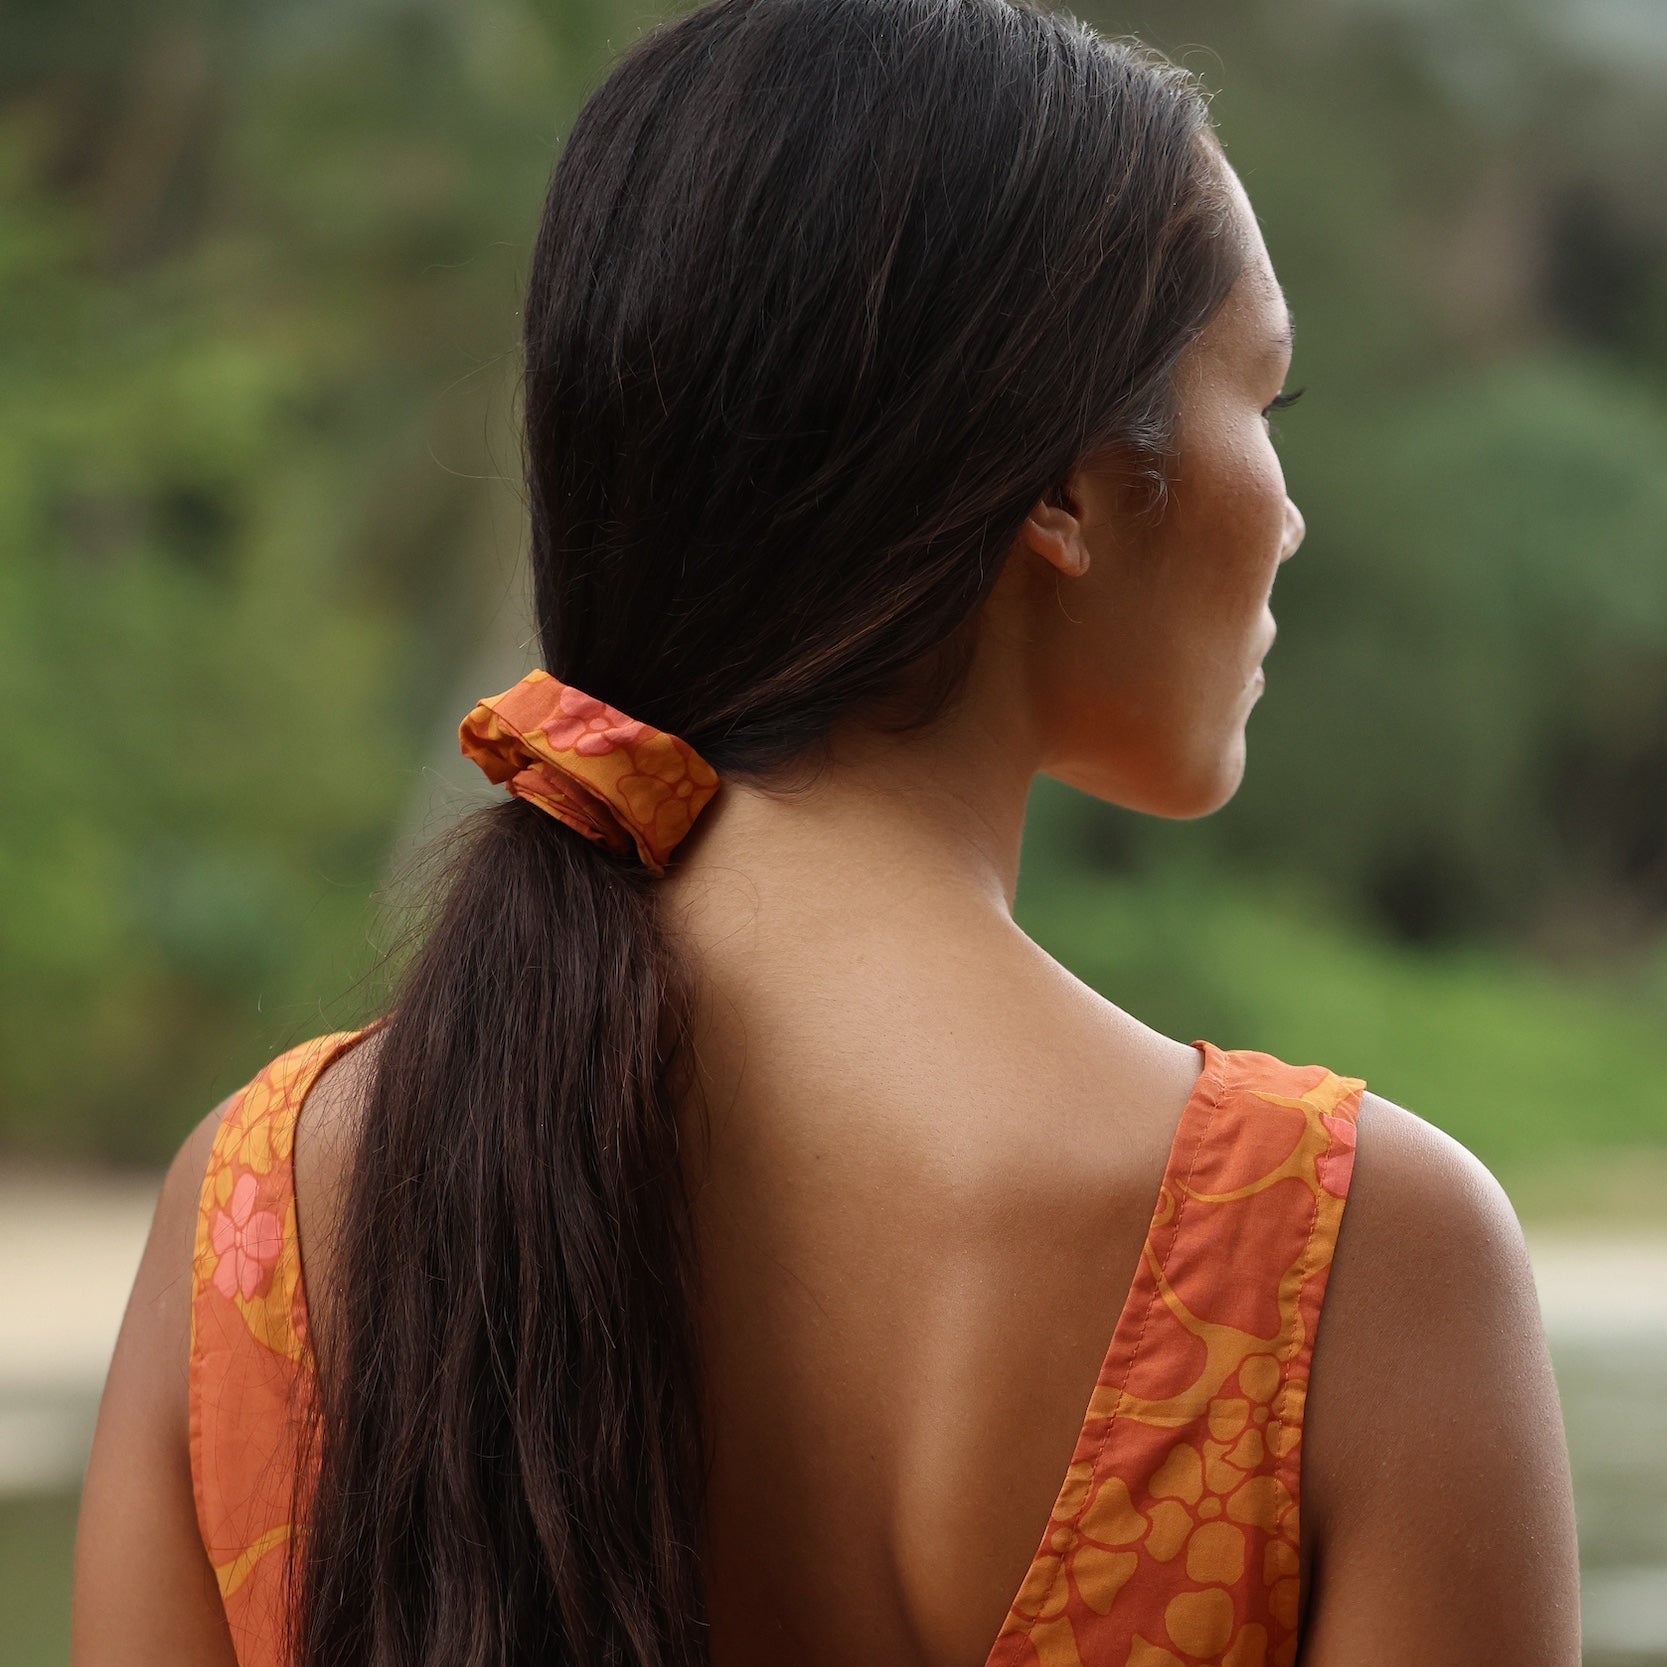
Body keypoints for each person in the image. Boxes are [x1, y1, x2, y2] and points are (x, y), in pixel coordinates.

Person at [70, 0, 1581, 1663]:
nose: (1288, 515)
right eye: (1266, 406)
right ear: (1063, 492)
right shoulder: (1352, 1262)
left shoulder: (261, 1216)